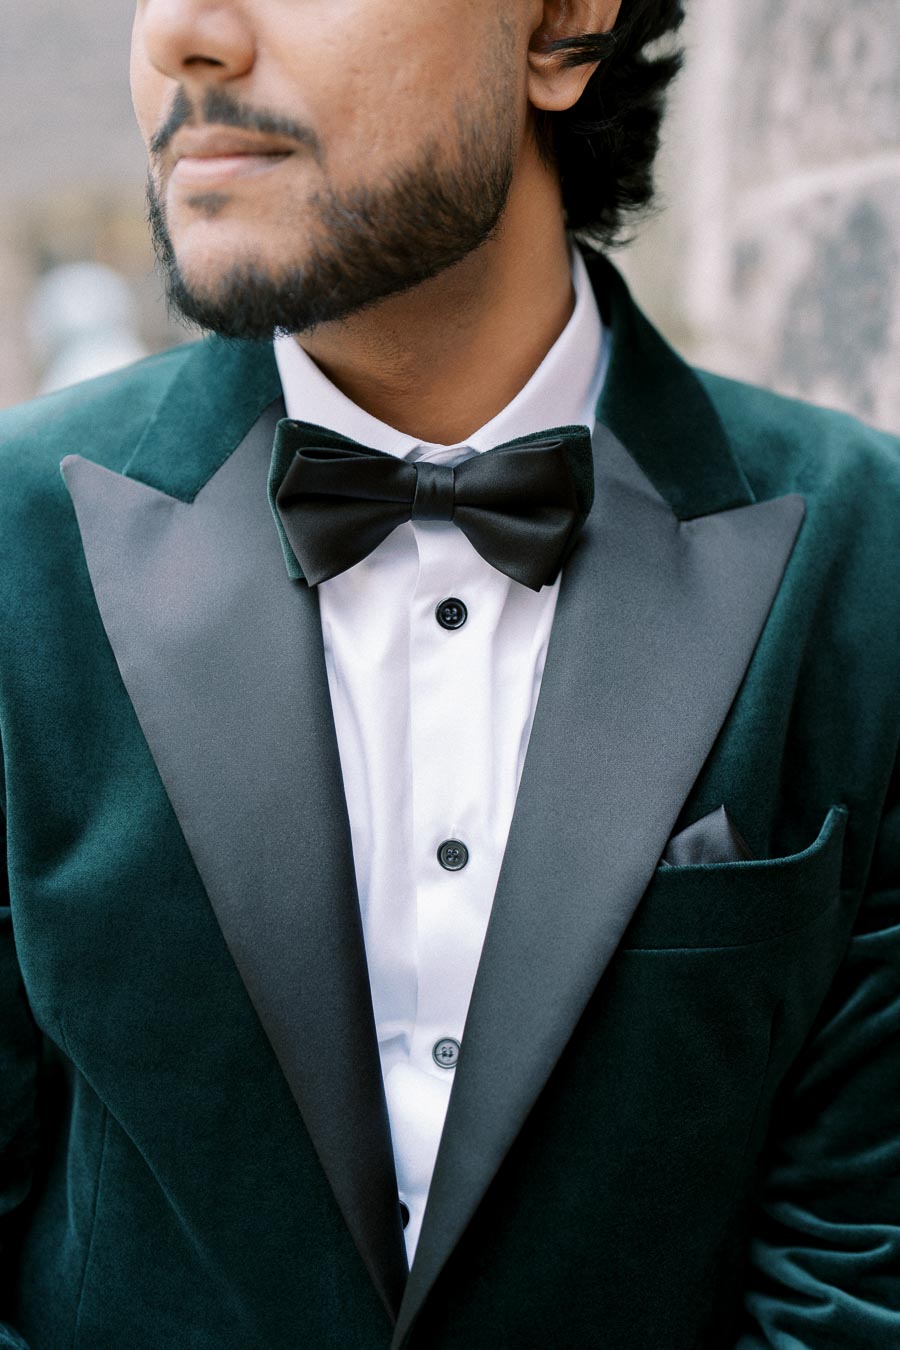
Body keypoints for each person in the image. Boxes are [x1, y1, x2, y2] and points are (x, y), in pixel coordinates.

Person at [1, 1, 898, 1346]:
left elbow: (858, 1265)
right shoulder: (20, 542)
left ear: (563, 22)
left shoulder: (863, 554)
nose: (185, 34)